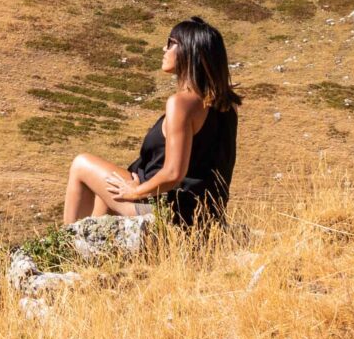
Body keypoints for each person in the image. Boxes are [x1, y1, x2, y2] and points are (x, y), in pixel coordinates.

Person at [61, 16, 241, 227]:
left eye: (171, 43)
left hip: (171, 214)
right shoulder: (225, 107)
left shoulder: (181, 103)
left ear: (189, 51)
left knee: (81, 164)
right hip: (204, 217)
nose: (164, 48)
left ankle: (67, 247)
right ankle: (93, 249)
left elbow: (173, 173)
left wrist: (136, 191)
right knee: (109, 189)